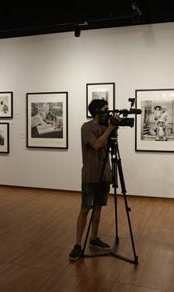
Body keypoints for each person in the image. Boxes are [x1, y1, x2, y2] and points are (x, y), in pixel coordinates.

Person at [69, 99, 117, 261]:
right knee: (85, 210)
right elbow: (96, 145)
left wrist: (111, 129)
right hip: (91, 175)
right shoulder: (87, 127)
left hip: (104, 175)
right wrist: (110, 128)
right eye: (106, 110)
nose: (108, 113)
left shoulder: (105, 127)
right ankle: (77, 244)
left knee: (98, 208)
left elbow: (111, 150)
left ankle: (94, 238)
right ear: (97, 112)